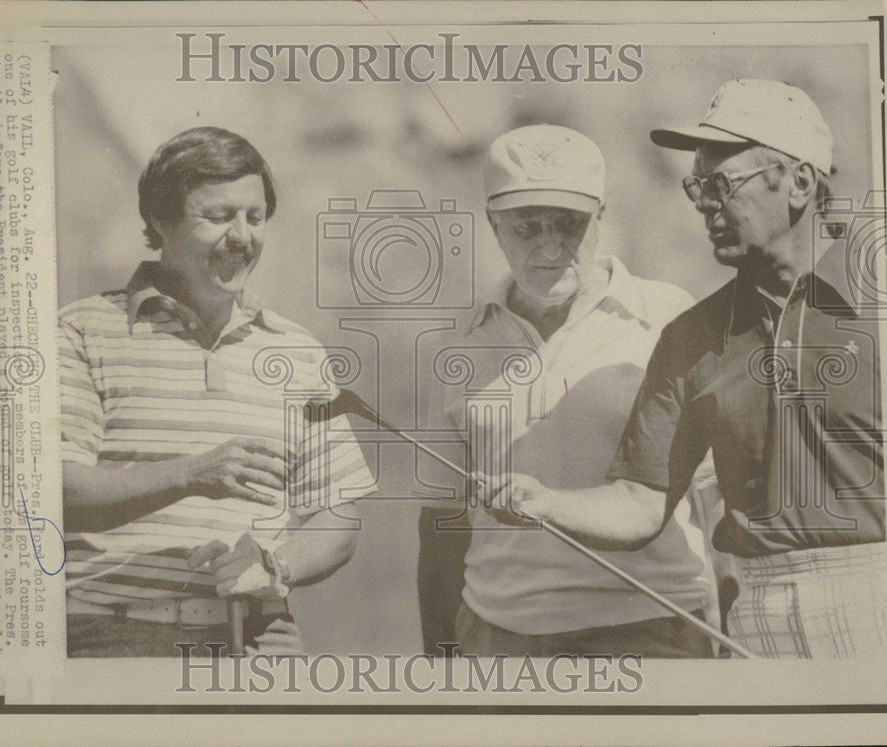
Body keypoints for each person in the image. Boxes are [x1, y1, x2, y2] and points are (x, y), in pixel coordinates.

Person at [503, 80, 887, 658]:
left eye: (721, 184)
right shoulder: (689, 336)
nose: (704, 204)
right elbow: (641, 501)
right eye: (697, 186)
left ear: (800, 182)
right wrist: (545, 502)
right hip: (756, 615)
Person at [59, 127, 375, 657]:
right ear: (160, 221)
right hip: (117, 637)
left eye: (255, 217)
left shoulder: (296, 351)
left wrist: (276, 566)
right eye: (219, 216)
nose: (242, 236)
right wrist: (190, 474)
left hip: (261, 639)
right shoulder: (83, 331)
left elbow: (337, 516)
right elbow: (55, 498)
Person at [416, 124, 714, 658]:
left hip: (651, 624)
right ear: (494, 224)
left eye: (570, 224)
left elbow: (716, 497)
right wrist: (440, 660)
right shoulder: (456, 344)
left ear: (601, 217)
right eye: (527, 227)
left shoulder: (668, 317)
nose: (550, 246)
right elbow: (443, 519)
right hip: (500, 631)